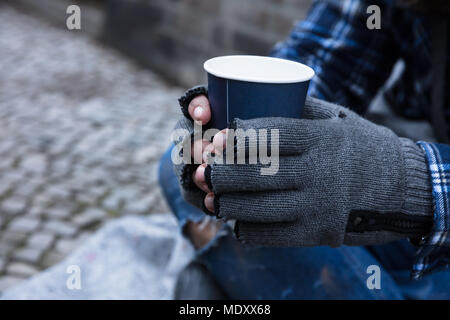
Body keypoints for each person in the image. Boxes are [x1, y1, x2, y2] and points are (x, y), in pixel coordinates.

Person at [159, 0, 450, 299]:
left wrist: (412, 185)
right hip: (396, 226)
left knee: (208, 285)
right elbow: (324, 57)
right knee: (186, 168)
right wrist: (250, 121)